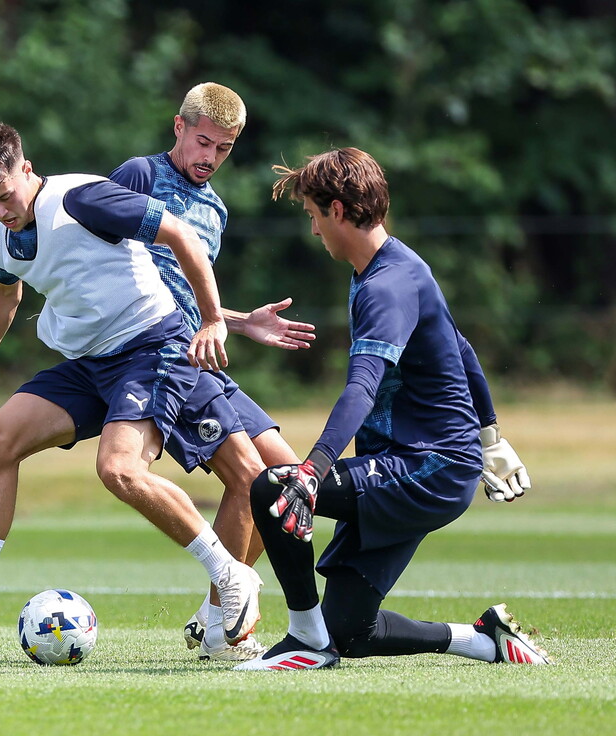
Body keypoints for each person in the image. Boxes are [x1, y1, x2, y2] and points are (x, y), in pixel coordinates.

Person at [0, 121, 263, 649]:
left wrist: (212, 319)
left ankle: (233, 577)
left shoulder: (83, 199)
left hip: (150, 346)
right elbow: (3, 293)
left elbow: (180, 236)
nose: (0, 211)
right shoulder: (8, 226)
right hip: (90, 362)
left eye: (4, 196)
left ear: (27, 169)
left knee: (119, 470)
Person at [234, 147, 548, 671]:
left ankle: (304, 640)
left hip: (428, 466)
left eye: (313, 215)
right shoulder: (396, 267)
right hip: (427, 461)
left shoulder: (386, 285)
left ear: (337, 210)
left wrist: (312, 471)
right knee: (351, 629)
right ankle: (482, 640)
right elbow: (463, 349)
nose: (313, 231)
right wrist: (490, 436)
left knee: (273, 489)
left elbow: (362, 385)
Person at [110, 82, 315, 661]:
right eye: (203, 143)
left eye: (224, 149)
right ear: (178, 127)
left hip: (200, 351)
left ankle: (214, 609)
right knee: (253, 479)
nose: (210, 158)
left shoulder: (215, 210)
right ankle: (230, 620)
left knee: (288, 477)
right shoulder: (137, 177)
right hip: (156, 356)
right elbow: (109, 273)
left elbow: (188, 296)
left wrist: (241, 320)